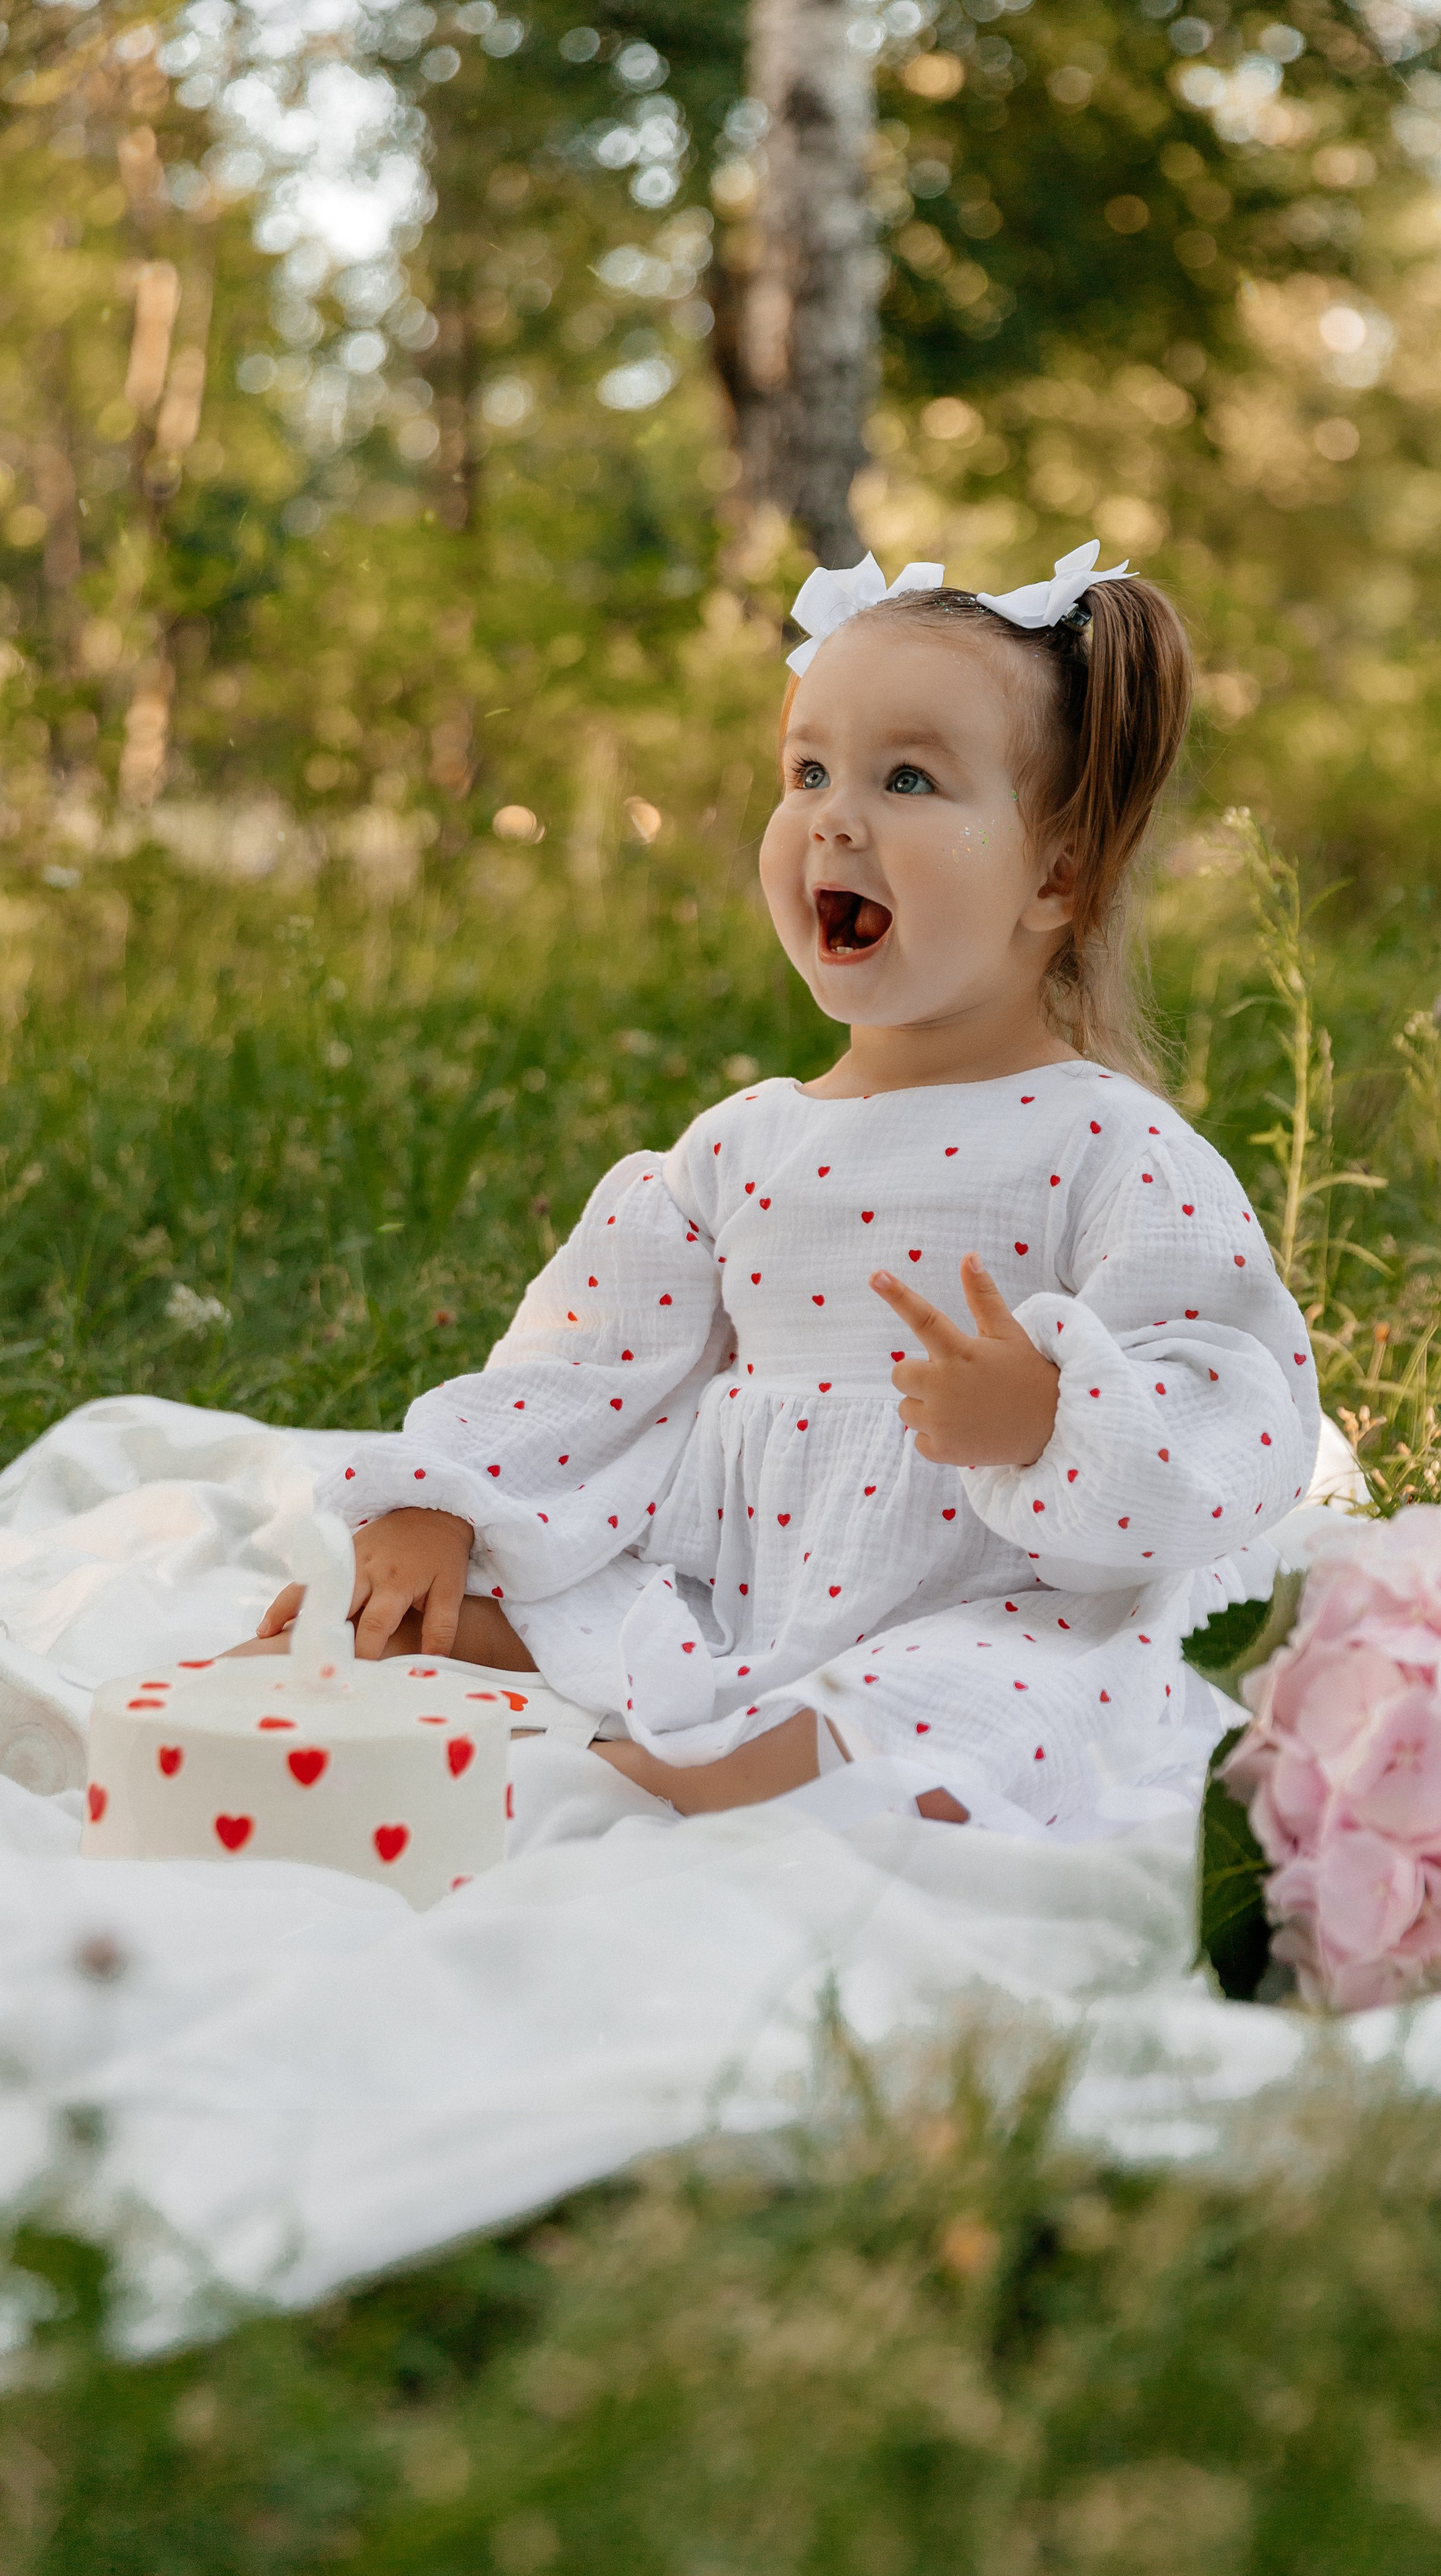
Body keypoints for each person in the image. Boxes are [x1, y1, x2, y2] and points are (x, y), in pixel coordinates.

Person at [239, 541, 1321, 1831]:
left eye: (908, 778)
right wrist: (443, 1501)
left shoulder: (1110, 1149)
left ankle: (679, 1784)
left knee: (981, 1713)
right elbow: (590, 1363)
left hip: (1001, 1600)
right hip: (739, 1574)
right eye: (807, 771)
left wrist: (1051, 1421)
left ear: (1058, 875)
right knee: (566, 1612)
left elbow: (1235, 1406)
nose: (835, 817)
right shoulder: (739, 1149)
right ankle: (516, 1677)